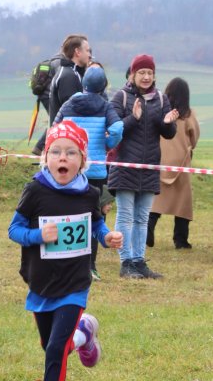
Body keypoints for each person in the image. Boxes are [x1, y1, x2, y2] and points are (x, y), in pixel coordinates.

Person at [8, 120, 123, 381]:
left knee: (56, 349)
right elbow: (14, 230)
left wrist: (106, 237)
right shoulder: (35, 191)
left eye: (71, 153)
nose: (63, 157)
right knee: (51, 346)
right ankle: (84, 334)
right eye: (56, 151)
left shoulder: (89, 193)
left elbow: (96, 224)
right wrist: (36, 235)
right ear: (46, 157)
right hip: (41, 283)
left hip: (75, 282)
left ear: (82, 160)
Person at [107, 54, 178, 279]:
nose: (146, 77)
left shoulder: (161, 99)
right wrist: (133, 118)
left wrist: (168, 124)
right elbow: (112, 130)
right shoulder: (121, 97)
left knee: (142, 218)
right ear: (132, 74)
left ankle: (139, 261)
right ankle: (126, 262)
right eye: (142, 72)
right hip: (125, 166)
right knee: (125, 216)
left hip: (149, 167)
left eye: (150, 73)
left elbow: (168, 134)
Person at [53, 64, 123, 278]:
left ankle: (66, 262)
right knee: (95, 217)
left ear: (83, 84)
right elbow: (117, 128)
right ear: (103, 86)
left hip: (71, 170)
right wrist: (108, 144)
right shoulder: (105, 106)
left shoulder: (69, 104)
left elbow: (55, 129)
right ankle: (90, 266)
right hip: (96, 173)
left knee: (67, 215)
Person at [148, 76, 200, 249]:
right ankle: (180, 240)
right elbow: (194, 138)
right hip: (181, 163)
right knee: (183, 202)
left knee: (156, 200)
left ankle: (148, 233)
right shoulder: (188, 114)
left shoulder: (160, 111)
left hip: (159, 159)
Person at [47, 35, 92, 124]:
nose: (90, 55)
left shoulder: (73, 72)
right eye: (87, 51)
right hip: (66, 132)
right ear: (77, 52)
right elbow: (72, 112)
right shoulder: (68, 76)